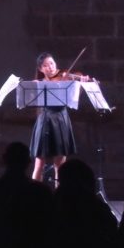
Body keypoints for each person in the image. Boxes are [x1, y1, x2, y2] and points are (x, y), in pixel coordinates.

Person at [30, 52, 86, 184]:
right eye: (45, 65)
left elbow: (75, 96)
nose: (50, 67)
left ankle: (59, 196)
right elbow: (31, 97)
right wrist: (34, 87)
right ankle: (34, 195)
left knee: (60, 167)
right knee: (39, 165)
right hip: (44, 120)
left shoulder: (65, 79)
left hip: (61, 120)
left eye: (52, 63)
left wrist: (81, 84)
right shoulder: (38, 83)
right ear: (40, 69)